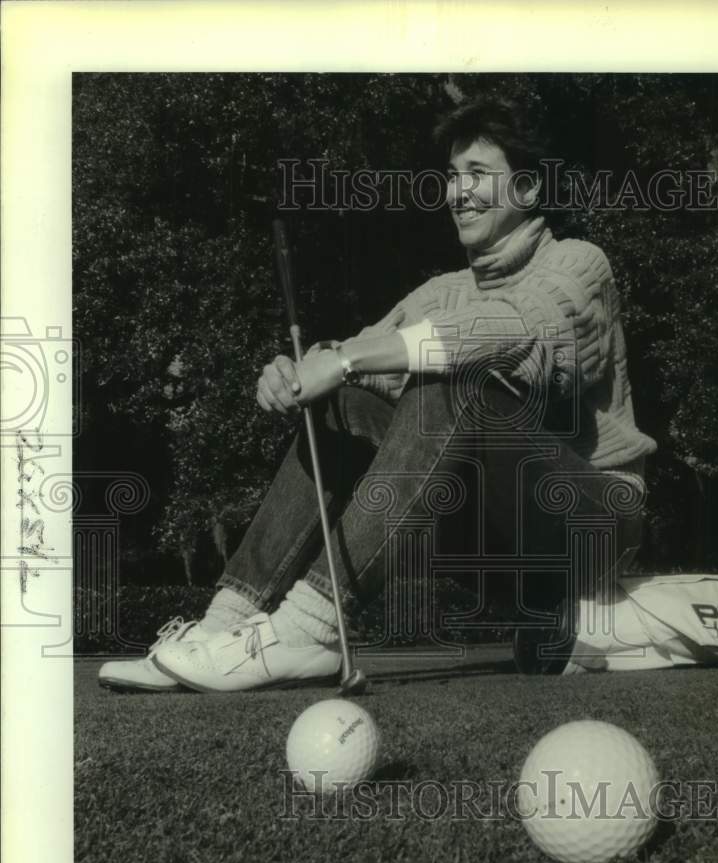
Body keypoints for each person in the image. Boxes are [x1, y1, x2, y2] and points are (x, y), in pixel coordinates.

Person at [98, 97, 656, 693]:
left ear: (526, 190)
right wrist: (298, 373)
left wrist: (345, 361)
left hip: (591, 522)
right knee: (342, 404)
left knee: (448, 378)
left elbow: (516, 336)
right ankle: (223, 625)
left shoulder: (579, 264)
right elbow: (356, 358)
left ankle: (307, 629)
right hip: (495, 543)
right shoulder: (442, 291)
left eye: (476, 175)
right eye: (450, 177)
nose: (456, 193)